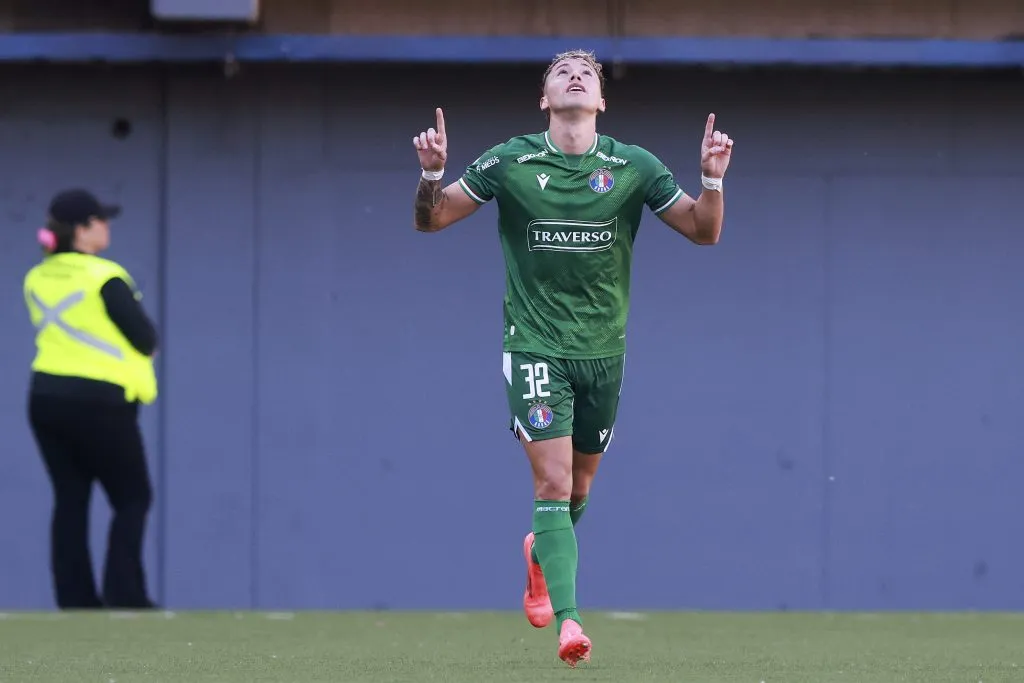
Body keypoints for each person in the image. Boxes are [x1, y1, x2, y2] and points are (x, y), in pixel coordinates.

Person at [411, 49, 734, 666]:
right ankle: (570, 621)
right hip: (534, 346)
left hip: (603, 354)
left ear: (602, 101)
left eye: (588, 72)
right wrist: (431, 174)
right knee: (553, 480)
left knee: (580, 485)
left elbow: (703, 230)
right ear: (545, 98)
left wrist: (712, 179)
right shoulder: (510, 160)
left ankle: (541, 555)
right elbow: (433, 220)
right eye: (563, 72)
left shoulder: (633, 166)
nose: (577, 76)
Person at [23, 189, 160, 610]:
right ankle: (126, 596)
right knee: (133, 497)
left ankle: (75, 600)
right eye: (101, 220)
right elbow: (146, 338)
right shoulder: (104, 277)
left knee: (70, 498)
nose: (108, 227)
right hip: (100, 400)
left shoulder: (37, 277)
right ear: (83, 230)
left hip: (46, 398)